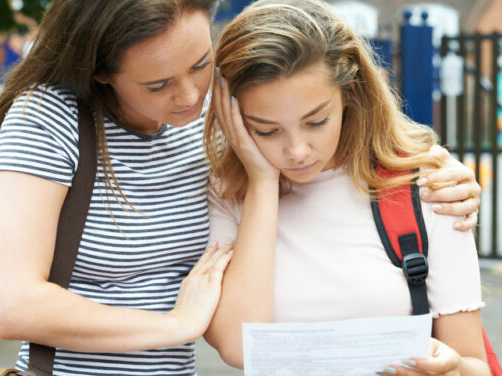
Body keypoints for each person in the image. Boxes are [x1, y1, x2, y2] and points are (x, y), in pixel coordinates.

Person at [0, 0, 481, 375]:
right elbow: (14, 305)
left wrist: (437, 172)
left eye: (201, 63)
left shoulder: (220, 119)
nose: (191, 95)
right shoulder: (49, 118)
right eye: (158, 85)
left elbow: (313, 120)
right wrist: (176, 327)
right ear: (101, 74)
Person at [204, 0, 490, 375]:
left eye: (316, 121)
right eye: (266, 130)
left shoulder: (426, 180)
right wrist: (261, 182)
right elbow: (239, 346)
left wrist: (450, 370)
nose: (296, 151)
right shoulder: (228, 191)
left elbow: (474, 364)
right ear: (233, 115)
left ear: (349, 91)